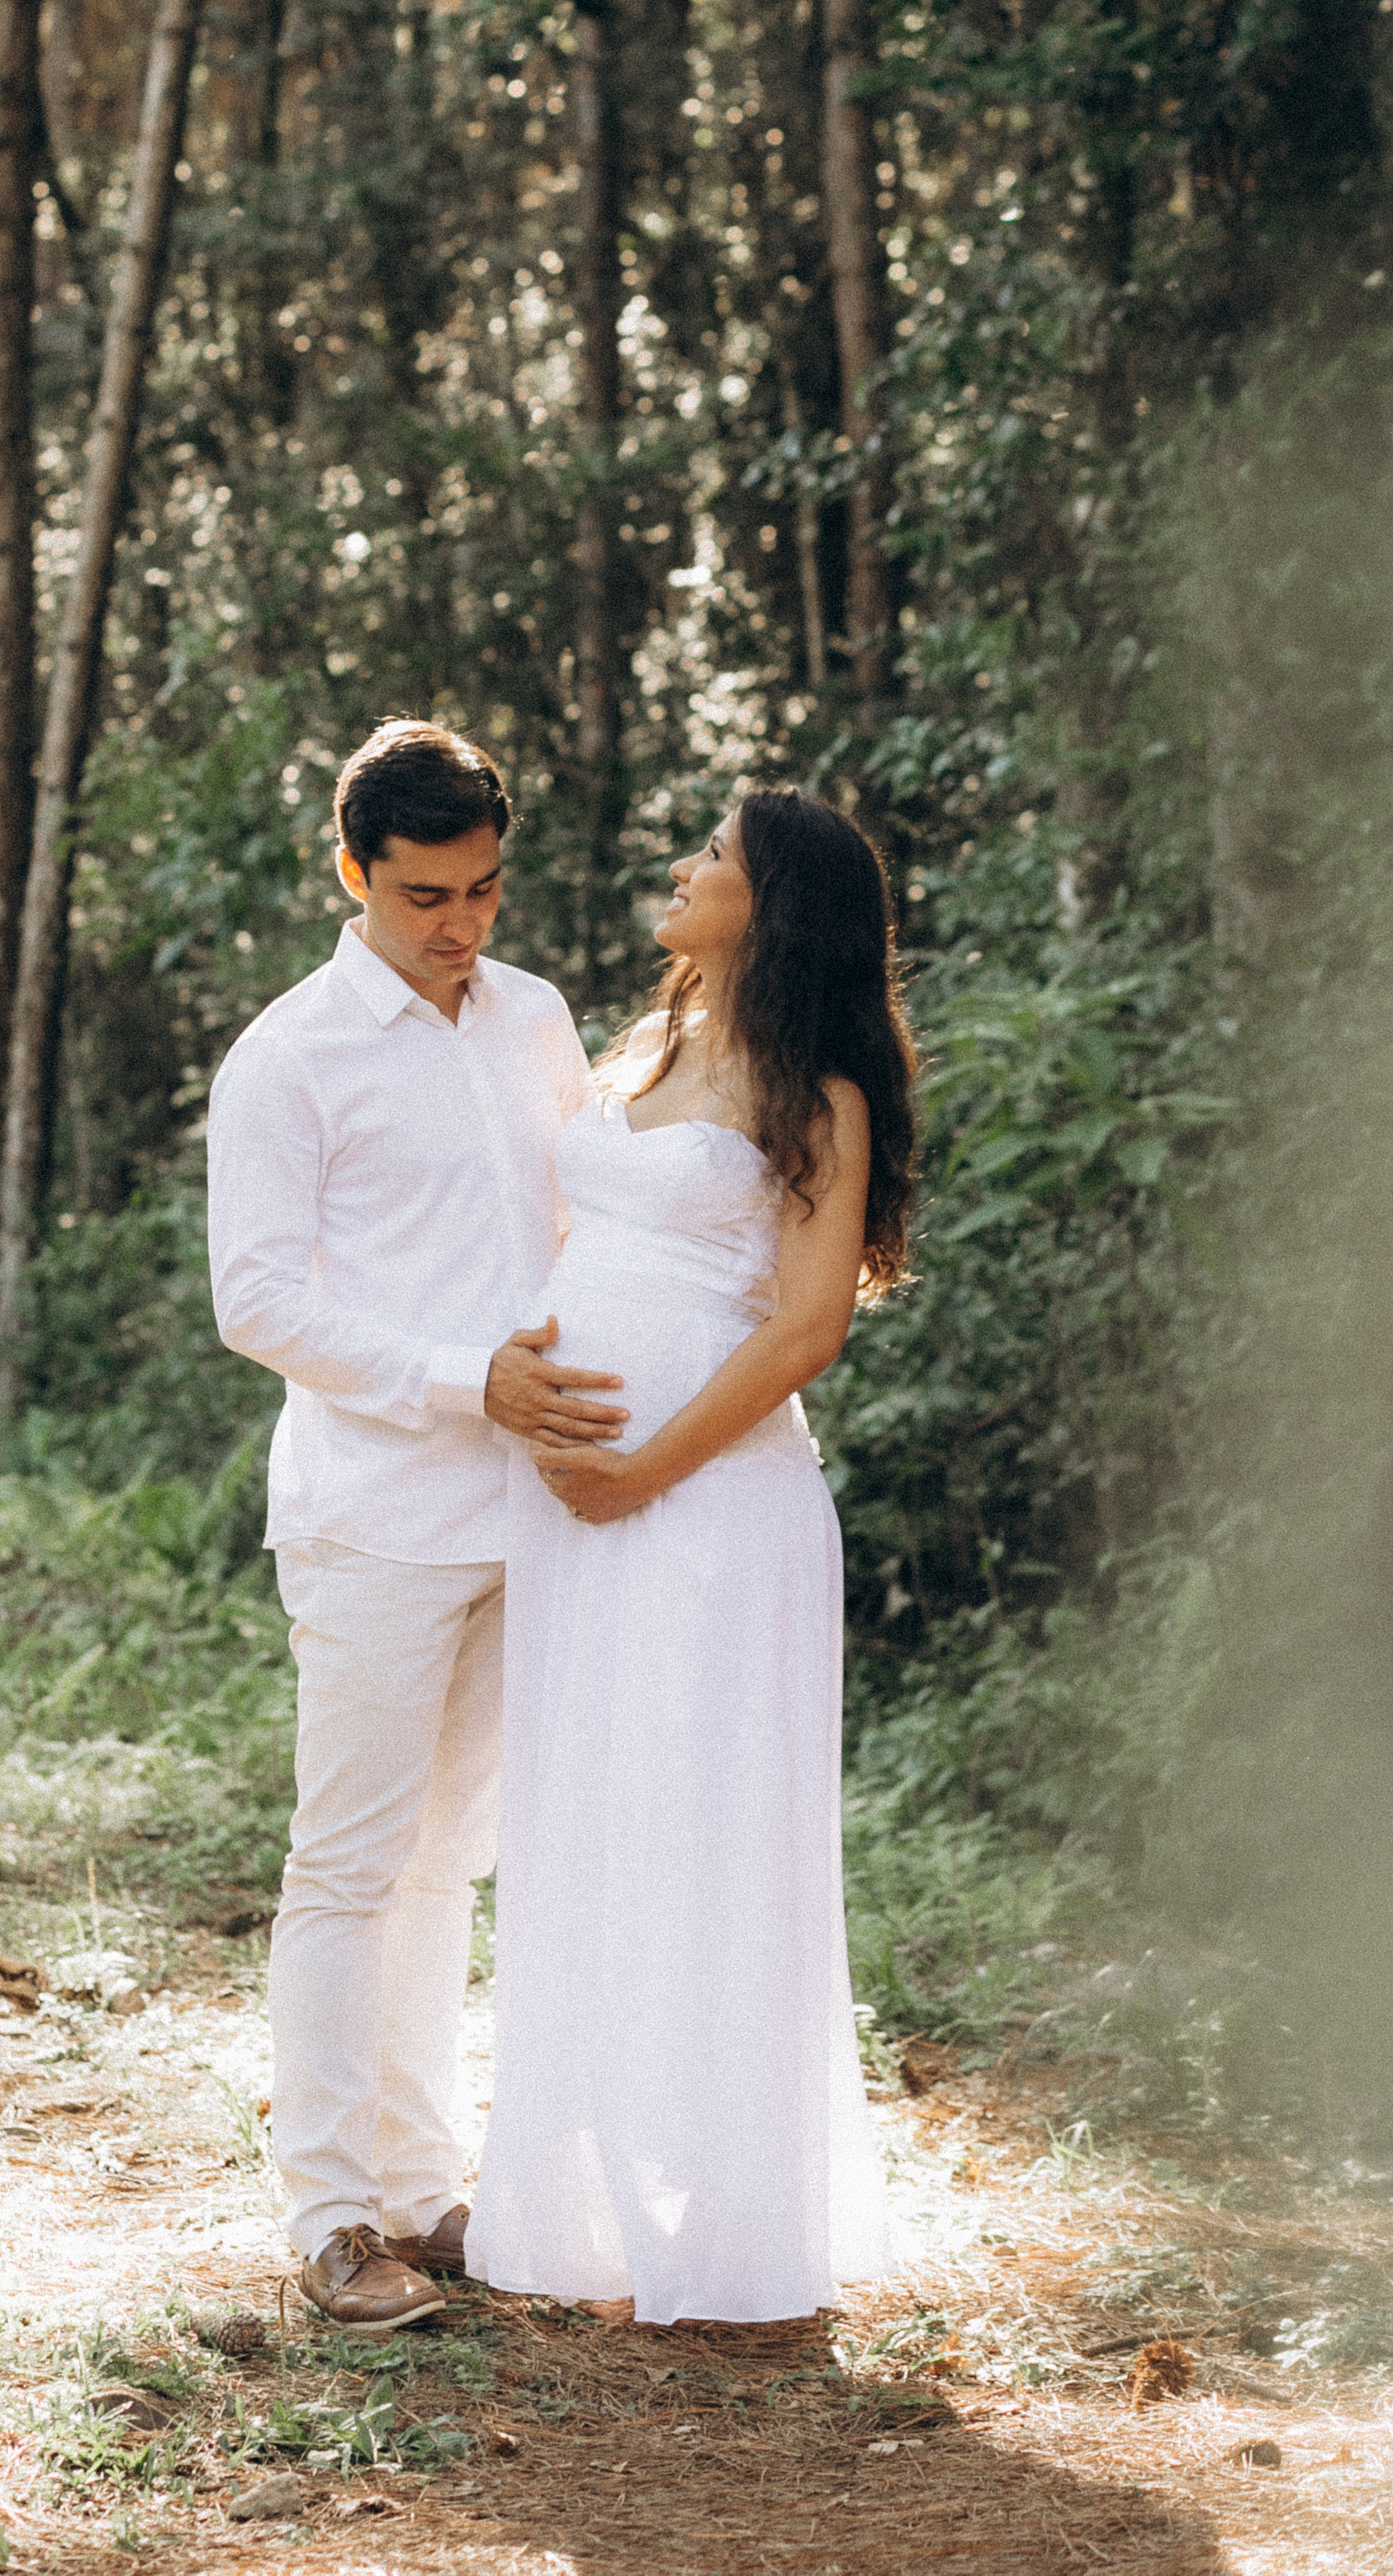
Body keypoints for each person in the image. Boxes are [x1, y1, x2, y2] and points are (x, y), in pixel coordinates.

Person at [465, 788, 917, 2326]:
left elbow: (807, 1323)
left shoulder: (820, 1089)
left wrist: (646, 1465)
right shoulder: (641, 1048)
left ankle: (727, 2220)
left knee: (705, 1828)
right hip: (574, 1503)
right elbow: (583, 1243)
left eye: (712, 856)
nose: (680, 868)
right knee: (586, 1810)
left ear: (775, 902)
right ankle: (588, 2198)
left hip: (714, 1512)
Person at [206, 719, 631, 2335]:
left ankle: (423, 2186)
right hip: (375, 1511)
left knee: (451, 1861)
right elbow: (256, 1303)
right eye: (425, 893)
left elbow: (578, 1223)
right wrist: (465, 1382)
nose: (461, 923)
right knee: (348, 1863)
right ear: (351, 874)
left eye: (483, 889)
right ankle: (325, 2220)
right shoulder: (289, 1054)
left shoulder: (532, 1016)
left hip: (531, 1510)